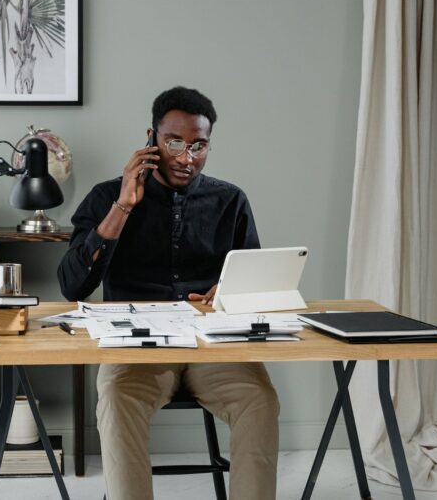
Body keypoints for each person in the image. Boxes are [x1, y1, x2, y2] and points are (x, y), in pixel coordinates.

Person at [57, 86, 279, 500]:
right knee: (118, 401)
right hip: (136, 347)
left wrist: (227, 292)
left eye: (199, 145)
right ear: (151, 140)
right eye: (174, 142)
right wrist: (124, 206)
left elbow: (253, 285)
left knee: (260, 401)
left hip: (212, 345)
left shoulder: (230, 200)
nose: (186, 157)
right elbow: (72, 285)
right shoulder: (108, 197)